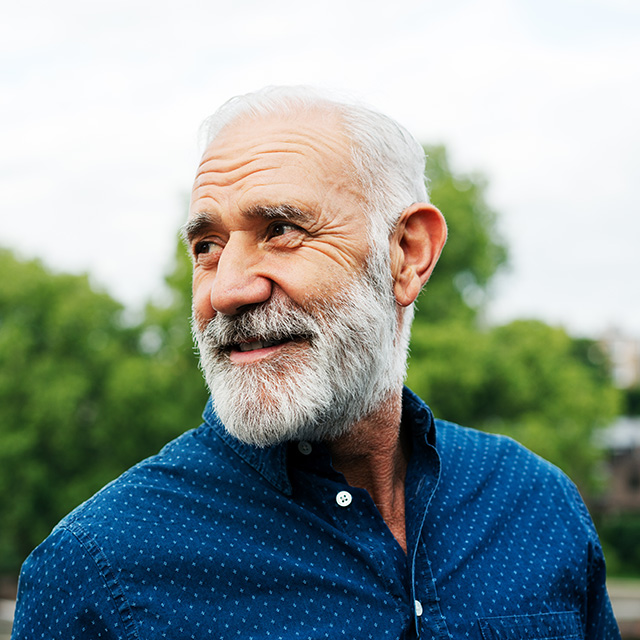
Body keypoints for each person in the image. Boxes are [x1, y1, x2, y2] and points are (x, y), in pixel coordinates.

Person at [12, 86, 620, 640]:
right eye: (207, 247)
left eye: (280, 229)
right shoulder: (96, 571)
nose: (226, 290)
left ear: (406, 254)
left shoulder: (534, 505)